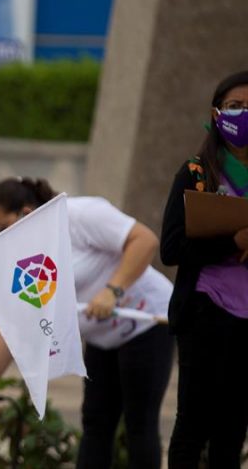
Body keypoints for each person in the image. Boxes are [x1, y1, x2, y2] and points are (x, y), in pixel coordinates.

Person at [0, 177, 174, 469]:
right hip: (101, 338)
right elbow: (14, 325)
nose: (0, 236)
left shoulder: (79, 214)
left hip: (146, 322)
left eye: (3, 226)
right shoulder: (22, 257)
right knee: (95, 422)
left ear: (27, 213)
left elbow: (145, 241)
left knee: (138, 424)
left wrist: (112, 291)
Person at [161, 71, 248, 468]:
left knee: (233, 430)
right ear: (217, 114)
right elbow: (172, 248)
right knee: (193, 425)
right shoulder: (197, 173)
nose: (243, 113)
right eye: (235, 106)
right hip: (205, 313)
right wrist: (234, 240)